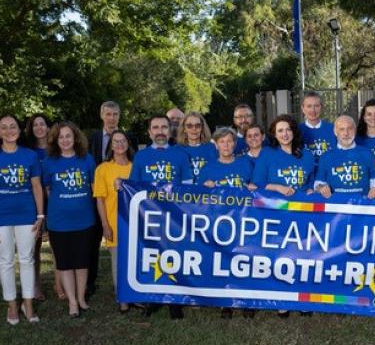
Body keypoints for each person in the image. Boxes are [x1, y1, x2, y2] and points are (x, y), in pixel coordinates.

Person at [0, 115, 44, 325]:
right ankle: (12, 305)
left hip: (27, 215)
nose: (9, 131)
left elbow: (36, 187)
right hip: (0, 217)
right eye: (3, 127)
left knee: (27, 259)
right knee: (5, 261)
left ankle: (28, 303)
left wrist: (41, 215)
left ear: (19, 130)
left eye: (13, 126)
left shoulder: (30, 155)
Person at [251, 114, 314, 318]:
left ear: (294, 131)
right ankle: (282, 300)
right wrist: (277, 186)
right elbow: (257, 184)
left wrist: (313, 189)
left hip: (302, 214)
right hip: (276, 213)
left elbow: (312, 184)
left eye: (287, 129)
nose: (285, 134)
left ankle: (303, 300)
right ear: (274, 135)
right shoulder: (268, 155)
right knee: (279, 256)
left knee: (303, 255)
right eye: (280, 131)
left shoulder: (307, 155)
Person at [130, 115, 193, 319]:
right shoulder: (140, 157)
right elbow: (133, 188)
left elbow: (188, 187)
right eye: (155, 127)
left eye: (164, 127)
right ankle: (154, 298)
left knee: (175, 255)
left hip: (174, 216)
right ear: (149, 132)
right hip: (149, 216)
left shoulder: (181, 155)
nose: (160, 131)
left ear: (170, 130)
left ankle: (175, 300)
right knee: (150, 255)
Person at [198, 127, 256, 319]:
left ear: (235, 143)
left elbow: (257, 188)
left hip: (244, 220)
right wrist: (205, 188)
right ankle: (226, 302)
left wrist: (252, 187)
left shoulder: (245, 164)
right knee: (223, 261)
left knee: (245, 259)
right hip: (219, 222)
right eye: (222, 142)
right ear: (216, 144)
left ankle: (247, 301)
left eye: (230, 141)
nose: (226, 145)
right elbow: (195, 199)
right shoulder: (208, 168)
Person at [42, 122, 96, 317]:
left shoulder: (87, 160)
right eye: (61, 137)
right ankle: (72, 302)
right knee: (65, 262)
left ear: (75, 138)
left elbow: (93, 187)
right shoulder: (49, 163)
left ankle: (81, 297)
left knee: (82, 262)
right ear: (56, 141)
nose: (65, 140)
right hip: (59, 221)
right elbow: (47, 189)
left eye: (68, 136)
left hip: (85, 219)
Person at [93, 130, 134, 313]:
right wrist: (105, 225)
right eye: (115, 142)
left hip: (135, 223)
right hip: (114, 222)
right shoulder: (103, 169)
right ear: (110, 146)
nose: (119, 144)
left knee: (133, 262)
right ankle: (122, 300)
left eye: (123, 141)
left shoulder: (136, 167)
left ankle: (134, 296)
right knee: (118, 264)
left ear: (128, 143)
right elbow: (100, 199)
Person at [315, 115, 375, 199]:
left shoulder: (367, 153)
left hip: (362, 206)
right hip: (335, 207)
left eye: (349, 129)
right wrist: (321, 188)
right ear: (335, 132)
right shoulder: (326, 156)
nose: (346, 133)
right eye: (342, 129)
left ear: (355, 131)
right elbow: (318, 182)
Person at [24, 114, 54, 302]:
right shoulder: (27, 152)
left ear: (49, 127)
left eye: (42, 124)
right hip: (34, 202)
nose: (39, 128)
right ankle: (35, 286)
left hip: (55, 200)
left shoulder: (56, 149)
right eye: (35, 125)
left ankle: (60, 285)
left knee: (57, 245)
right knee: (33, 246)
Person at [89, 101, 139, 165]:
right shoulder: (92, 138)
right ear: (101, 115)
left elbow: (135, 162)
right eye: (108, 114)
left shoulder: (131, 138)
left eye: (115, 114)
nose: (112, 118)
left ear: (119, 116)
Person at [176, 111, 217, 183]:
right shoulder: (176, 149)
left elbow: (218, 171)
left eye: (198, 125)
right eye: (189, 126)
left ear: (202, 128)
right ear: (184, 129)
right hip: (184, 191)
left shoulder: (212, 148)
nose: (194, 129)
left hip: (206, 191)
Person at [298, 91, 337, 164]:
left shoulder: (333, 129)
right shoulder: (297, 131)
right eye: (309, 106)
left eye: (316, 106)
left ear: (321, 108)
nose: (313, 110)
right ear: (303, 108)